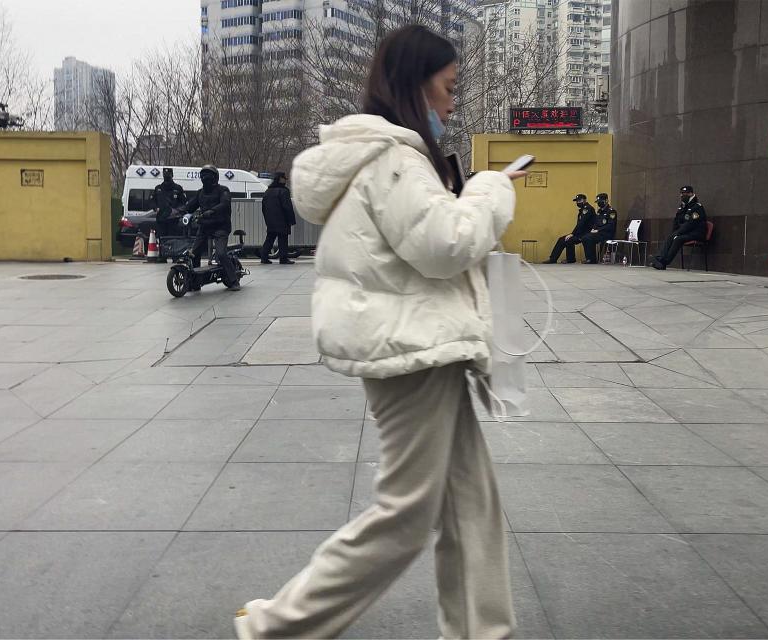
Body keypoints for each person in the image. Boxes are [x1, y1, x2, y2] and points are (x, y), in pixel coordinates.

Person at [233, 25, 524, 640]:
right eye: (448, 88)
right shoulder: (394, 159)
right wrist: (491, 190)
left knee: (471, 505)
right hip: (411, 352)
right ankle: (275, 626)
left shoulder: (388, 156)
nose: (452, 103)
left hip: (420, 345)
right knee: (406, 516)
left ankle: (481, 631)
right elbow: (444, 245)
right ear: (417, 86)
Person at [183, 165, 239, 291]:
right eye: (203, 175)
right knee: (194, 253)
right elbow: (190, 206)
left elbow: (225, 203)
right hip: (205, 226)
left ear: (215, 177)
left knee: (221, 253)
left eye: (208, 175)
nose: (205, 178)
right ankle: (195, 282)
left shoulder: (223, 190)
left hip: (221, 226)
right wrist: (179, 211)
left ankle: (233, 280)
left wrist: (212, 211)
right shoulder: (200, 193)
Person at [651, 185, 707, 270]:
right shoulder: (683, 207)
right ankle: (659, 258)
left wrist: (678, 233)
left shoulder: (697, 207)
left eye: (684, 193)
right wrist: (674, 232)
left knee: (678, 239)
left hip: (697, 233)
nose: (681, 195)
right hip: (686, 232)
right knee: (671, 236)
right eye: (681, 193)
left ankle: (664, 262)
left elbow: (691, 224)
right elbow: (676, 221)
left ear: (691, 193)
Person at [541, 193, 597, 264]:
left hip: (586, 233)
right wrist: (572, 234)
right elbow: (580, 224)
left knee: (568, 238)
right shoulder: (583, 209)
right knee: (563, 239)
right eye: (576, 201)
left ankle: (555, 259)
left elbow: (581, 223)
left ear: (585, 200)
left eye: (579, 200)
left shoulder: (587, 209)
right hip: (581, 233)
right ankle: (566, 259)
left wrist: (572, 234)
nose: (577, 202)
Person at [259, 171, 297, 264]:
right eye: (284, 178)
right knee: (283, 239)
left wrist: (267, 219)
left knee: (270, 238)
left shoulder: (268, 191)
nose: (285, 180)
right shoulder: (284, 191)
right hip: (282, 220)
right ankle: (283, 258)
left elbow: (263, 207)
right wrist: (291, 220)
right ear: (280, 179)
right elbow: (287, 207)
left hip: (270, 221)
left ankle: (264, 257)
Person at [581, 192, 618, 263]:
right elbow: (596, 222)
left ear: (606, 200)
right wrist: (593, 229)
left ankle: (592, 260)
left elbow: (611, 225)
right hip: (599, 233)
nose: (599, 203)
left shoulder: (611, 211)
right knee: (584, 237)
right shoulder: (599, 211)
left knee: (589, 238)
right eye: (598, 202)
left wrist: (598, 230)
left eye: (600, 201)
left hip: (606, 233)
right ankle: (590, 258)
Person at [152, 167, 186, 239]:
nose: (167, 176)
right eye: (165, 174)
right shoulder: (158, 188)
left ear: (172, 175)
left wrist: (177, 211)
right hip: (161, 220)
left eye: (168, 174)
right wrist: (156, 208)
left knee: (172, 240)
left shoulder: (178, 188)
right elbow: (152, 201)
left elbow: (184, 203)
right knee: (160, 240)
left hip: (173, 221)